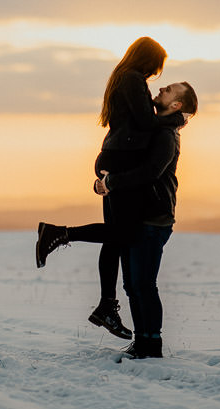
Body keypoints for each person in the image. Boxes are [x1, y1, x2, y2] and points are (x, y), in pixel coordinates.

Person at [36, 37, 184, 340]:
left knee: (115, 237)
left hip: (115, 159)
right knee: (123, 235)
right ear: (148, 60)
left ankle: (106, 305)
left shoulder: (124, 77)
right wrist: (174, 119)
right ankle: (60, 233)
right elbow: (144, 122)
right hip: (120, 161)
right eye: (157, 67)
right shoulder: (131, 78)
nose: (156, 75)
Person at [95, 81, 198, 358]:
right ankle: (142, 342)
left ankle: (151, 345)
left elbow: (151, 171)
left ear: (176, 105)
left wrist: (112, 181)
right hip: (139, 215)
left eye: (170, 89)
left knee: (144, 285)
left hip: (155, 218)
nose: (163, 87)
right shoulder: (154, 128)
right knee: (132, 285)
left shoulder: (167, 134)